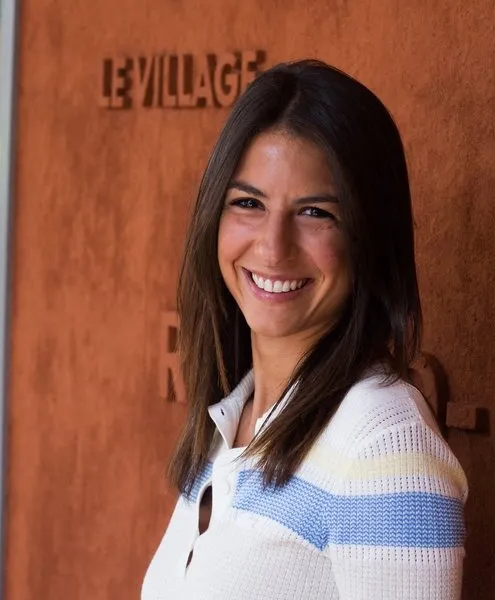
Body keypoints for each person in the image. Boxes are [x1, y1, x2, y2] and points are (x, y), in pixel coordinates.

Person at [142, 60, 469, 599]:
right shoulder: (232, 425)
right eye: (248, 203)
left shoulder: (384, 445)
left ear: (369, 238)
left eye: (315, 212)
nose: (273, 247)